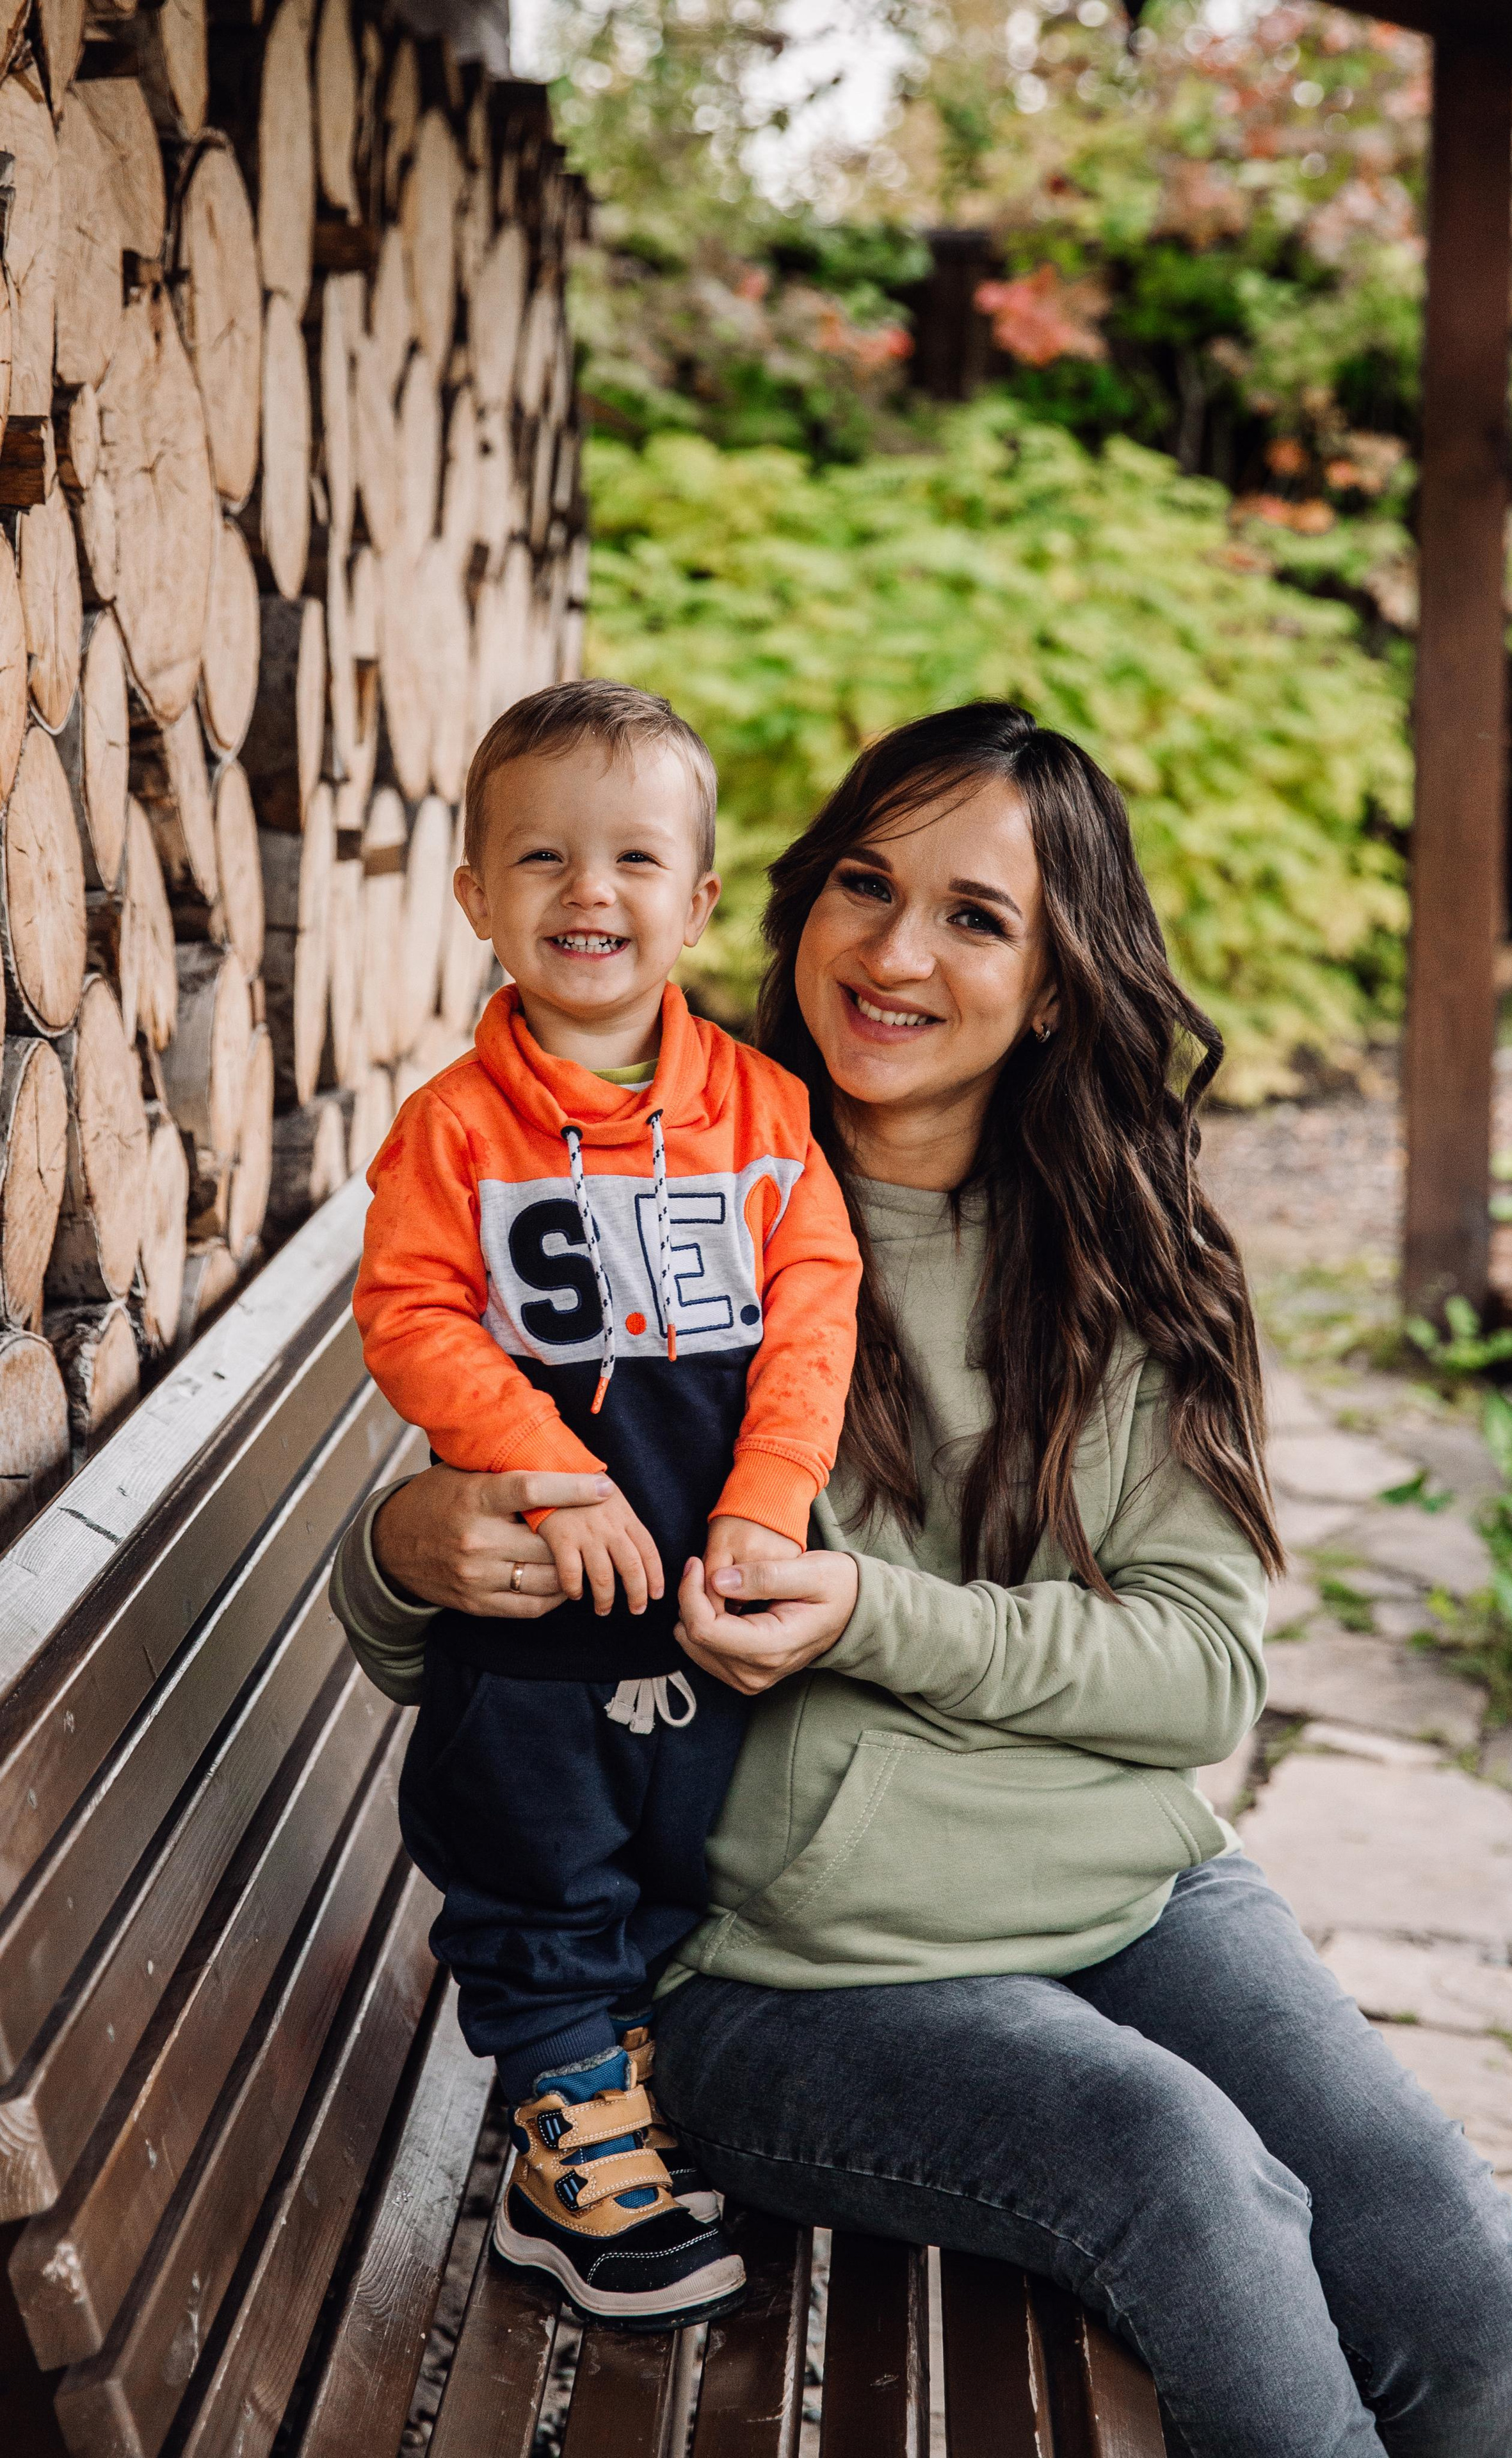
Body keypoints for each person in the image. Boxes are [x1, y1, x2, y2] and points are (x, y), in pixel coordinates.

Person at [334, 702, 1512, 2454]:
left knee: (1463, 2287)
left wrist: (873, 1614)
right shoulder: (684, 1188)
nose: (898, 953)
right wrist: (401, 1545)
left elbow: (1203, 1673)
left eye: (977, 918)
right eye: (865, 885)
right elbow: (449, 1617)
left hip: (1129, 1896)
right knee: (1188, 2178)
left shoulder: (1130, 1257)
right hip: (788, 1970)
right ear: (794, 903)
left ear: (1056, 983)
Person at [351, 680, 860, 2328]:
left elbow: (813, 1305)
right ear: (475, 897)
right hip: (534, 1612)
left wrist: (769, 1497)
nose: (590, 893)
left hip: (701, 1597)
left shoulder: (760, 1115)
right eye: (543, 859)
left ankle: (612, 2071)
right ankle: (564, 2150)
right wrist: (546, 1466)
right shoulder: (452, 1131)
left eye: (636, 858)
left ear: (699, 901)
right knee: (533, 1865)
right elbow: (414, 1314)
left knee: (661, 1860)